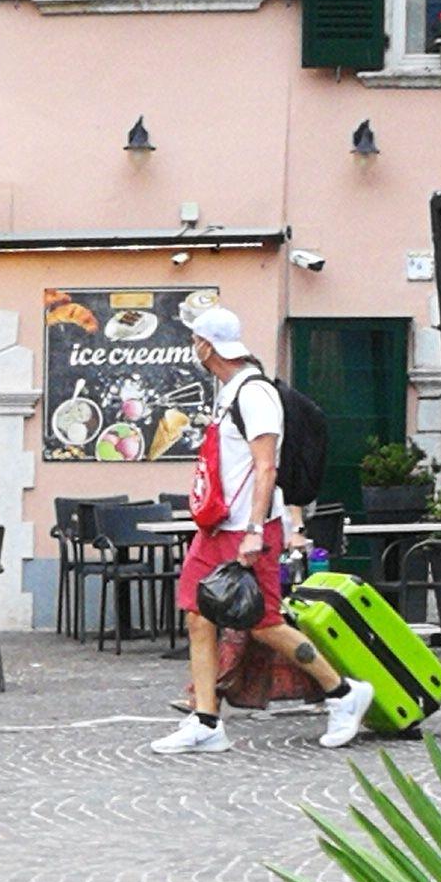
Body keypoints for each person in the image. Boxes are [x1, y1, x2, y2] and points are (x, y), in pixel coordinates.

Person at [149, 309, 369, 756]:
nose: (193, 348)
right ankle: (206, 721)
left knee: (264, 622)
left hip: (249, 528)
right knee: (197, 613)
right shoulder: (230, 392)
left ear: (207, 346)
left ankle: (343, 692)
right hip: (217, 525)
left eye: (194, 340)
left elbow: (266, 466)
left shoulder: (255, 394)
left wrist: (254, 530)